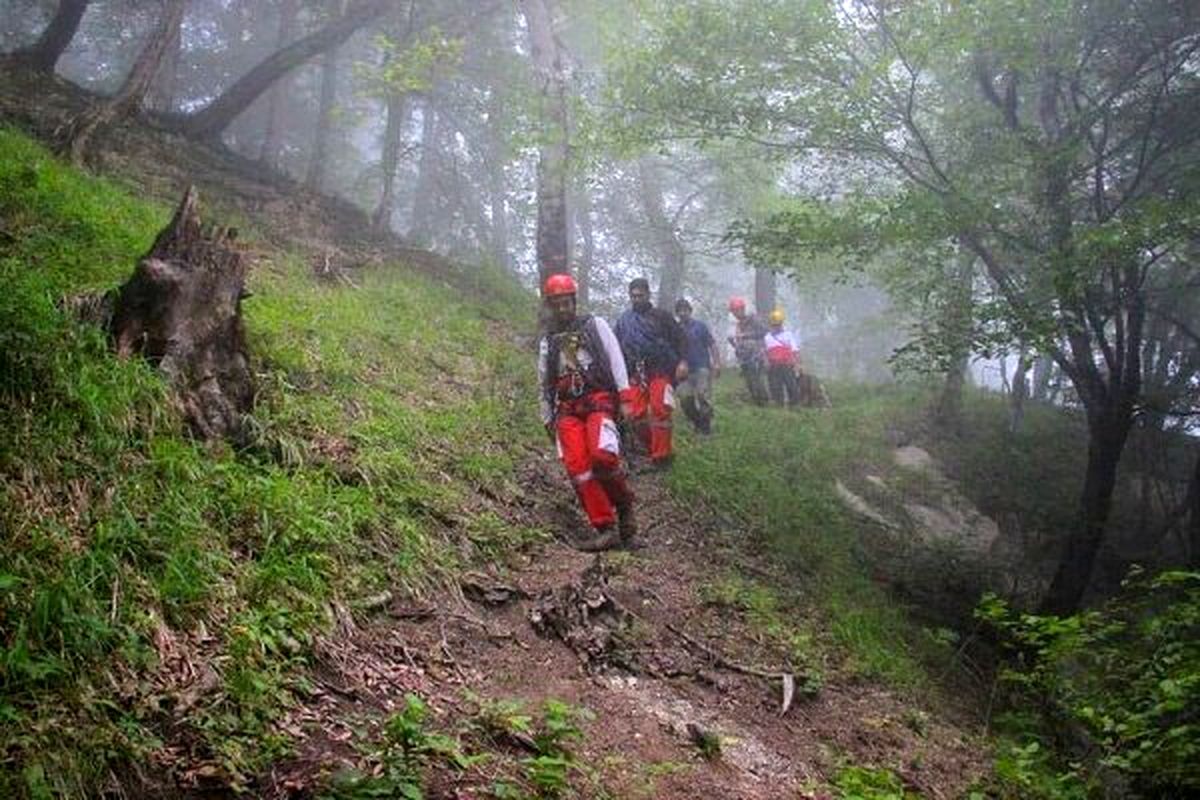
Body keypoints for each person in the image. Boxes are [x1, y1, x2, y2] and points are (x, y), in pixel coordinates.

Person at [538, 273, 638, 550]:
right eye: (556, 303)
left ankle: (624, 504)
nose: (562, 308)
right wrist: (547, 415)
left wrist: (626, 397)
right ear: (550, 305)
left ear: (573, 301)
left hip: (599, 399)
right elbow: (543, 379)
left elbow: (615, 358)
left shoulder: (595, 325)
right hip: (568, 408)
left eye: (565, 302)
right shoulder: (549, 340)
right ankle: (604, 526)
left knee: (603, 457)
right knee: (578, 468)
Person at [614, 278, 688, 467]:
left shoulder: (661, 316)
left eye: (640, 295)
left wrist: (683, 362)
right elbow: (616, 348)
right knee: (636, 415)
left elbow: (680, 339)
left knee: (660, 410)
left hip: (660, 369)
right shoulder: (624, 321)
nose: (636, 299)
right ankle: (650, 447)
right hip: (636, 372)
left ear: (647, 294)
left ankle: (662, 456)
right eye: (633, 296)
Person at [674, 297, 720, 435]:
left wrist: (717, 363)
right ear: (677, 313)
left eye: (685, 310)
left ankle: (706, 429)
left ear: (690, 311)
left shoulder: (700, 326)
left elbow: (712, 344)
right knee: (685, 399)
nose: (682, 313)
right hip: (683, 372)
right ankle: (697, 422)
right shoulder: (675, 329)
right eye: (679, 311)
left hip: (702, 367)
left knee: (703, 396)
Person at [727, 297, 769, 405]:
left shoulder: (754, 319)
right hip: (744, 356)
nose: (736, 313)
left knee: (757, 378)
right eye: (734, 311)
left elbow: (764, 331)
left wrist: (745, 335)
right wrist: (733, 342)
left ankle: (764, 401)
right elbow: (739, 343)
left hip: (756, 354)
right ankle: (756, 401)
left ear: (743, 309)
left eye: (737, 310)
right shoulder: (739, 324)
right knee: (749, 379)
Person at [764, 308, 802, 407]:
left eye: (778, 324)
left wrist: (797, 364)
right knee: (776, 388)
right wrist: (766, 363)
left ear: (781, 324)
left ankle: (795, 407)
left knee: (792, 387)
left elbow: (795, 350)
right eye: (774, 325)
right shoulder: (767, 337)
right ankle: (778, 408)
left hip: (787, 365)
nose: (776, 327)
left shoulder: (788, 335)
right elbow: (765, 352)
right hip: (773, 367)